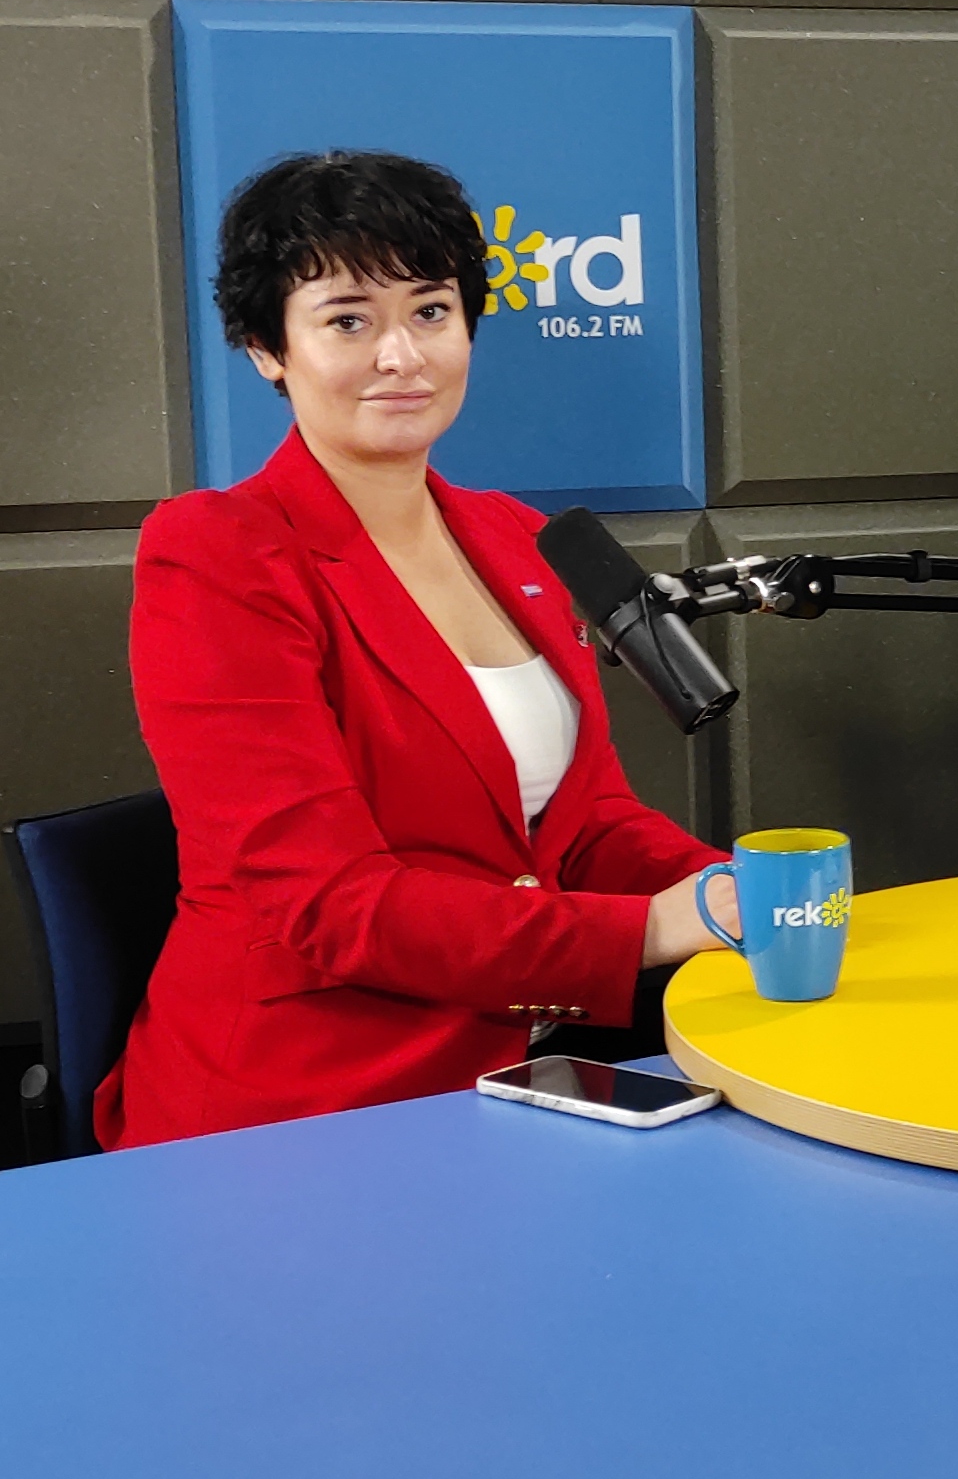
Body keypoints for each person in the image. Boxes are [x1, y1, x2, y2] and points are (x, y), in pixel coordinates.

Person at [102, 150, 736, 1149]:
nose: (402, 355)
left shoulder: (516, 538)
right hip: (299, 1105)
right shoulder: (216, 553)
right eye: (348, 320)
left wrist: (735, 893)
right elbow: (329, 903)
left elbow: (587, 826)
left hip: (517, 1075)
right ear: (268, 349)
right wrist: (654, 928)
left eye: (431, 310)